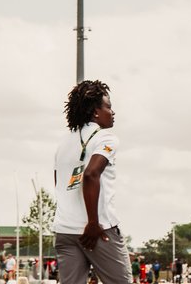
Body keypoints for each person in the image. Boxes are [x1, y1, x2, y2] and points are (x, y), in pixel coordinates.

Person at [52, 80, 133, 284]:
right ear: (96, 112)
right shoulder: (106, 138)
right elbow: (90, 174)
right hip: (97, 230)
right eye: (108, 106)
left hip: (64, 230)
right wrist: (93, 222)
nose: (113, 112)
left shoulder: (63, 142)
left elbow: (58, 184)